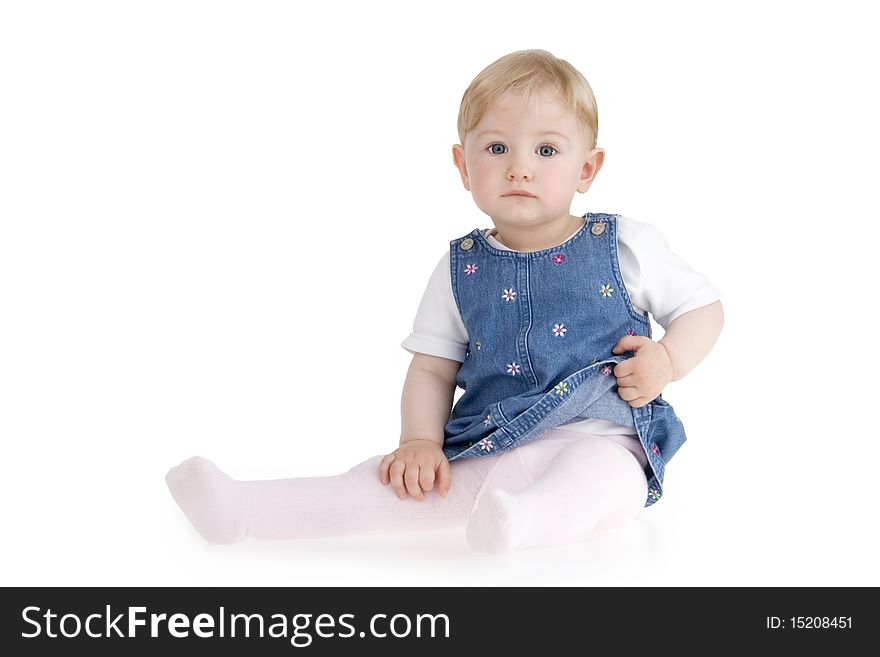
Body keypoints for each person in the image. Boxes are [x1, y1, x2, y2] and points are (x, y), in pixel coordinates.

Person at [166, 49, 724, 553]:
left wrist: (668, 360)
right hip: (490, 442)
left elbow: (702, 308)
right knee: (390, 486)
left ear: (587, 168)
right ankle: (240, 510)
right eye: (497, 147)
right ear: (463, 166)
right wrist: (418, 442)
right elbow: (432, 370)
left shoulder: (624, 244)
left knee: (595, 481)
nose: (520, 166)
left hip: (605, 441)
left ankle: (524, 524)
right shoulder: (461, 268)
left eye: (546, 149)